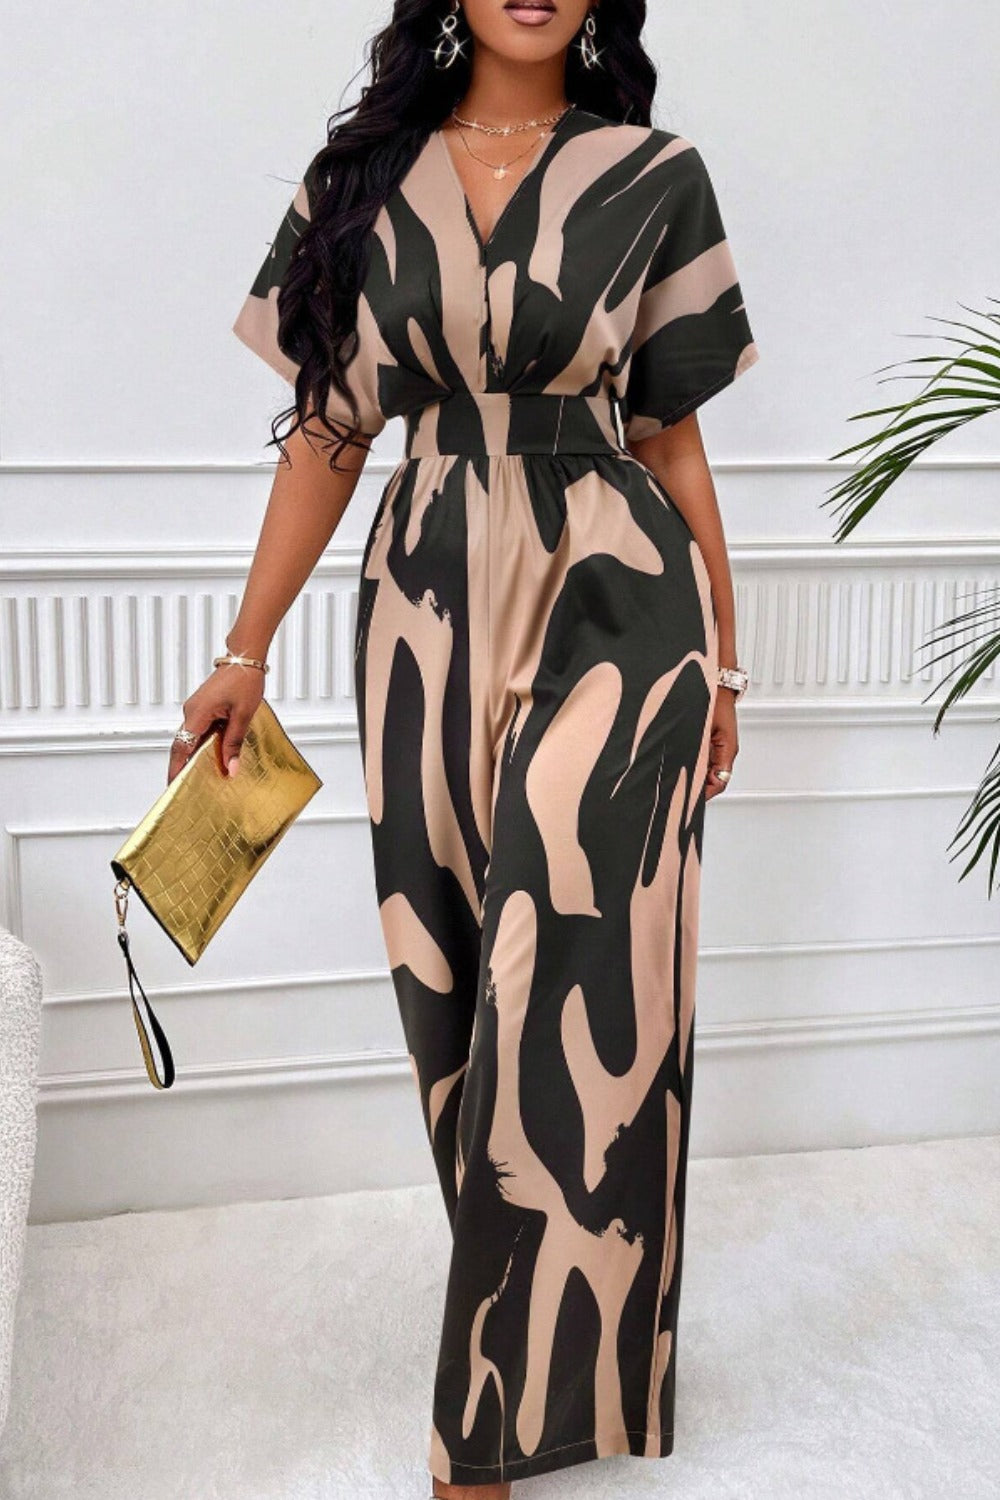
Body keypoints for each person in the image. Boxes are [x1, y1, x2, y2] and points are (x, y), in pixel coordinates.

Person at [169, 1, 759, 1494]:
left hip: (621, 602)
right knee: (446, 977)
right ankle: (546, 1355)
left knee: (572, 972)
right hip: (424, 600)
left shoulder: (656, 172)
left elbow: (673, 433)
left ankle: (484, 1423)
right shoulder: (362, 182)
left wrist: (726, 656)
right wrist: (243, 652)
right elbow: (330, 434)